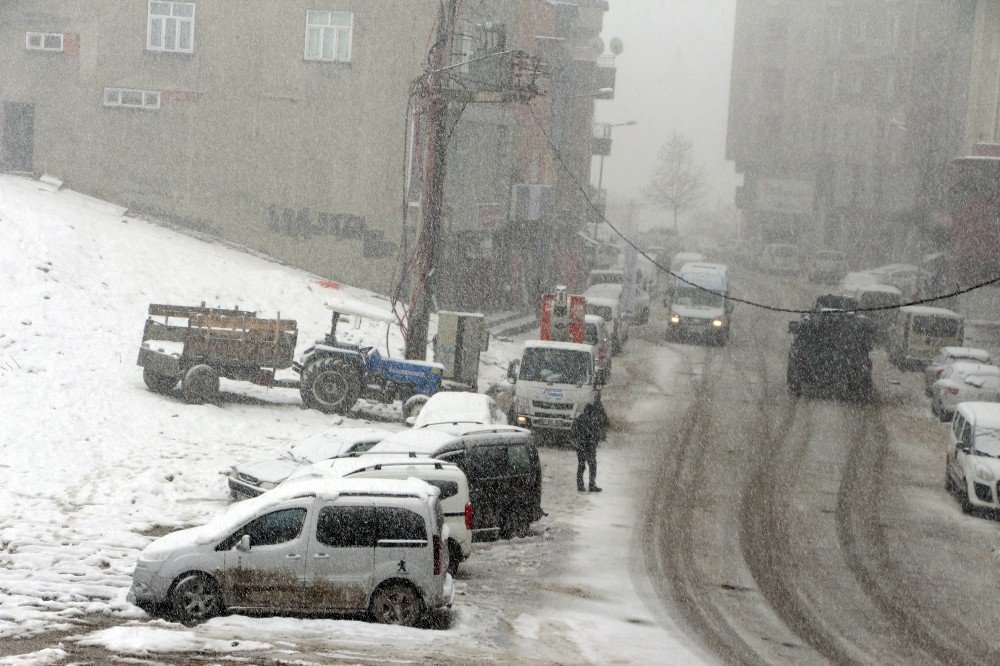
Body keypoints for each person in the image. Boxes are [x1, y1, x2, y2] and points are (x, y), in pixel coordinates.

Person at [572, 398, 610, 492]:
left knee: (581, 465)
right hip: (589, 446)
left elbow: (573, 433)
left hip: (580, 446)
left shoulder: (579, 419)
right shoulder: (593, 421)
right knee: (592, 465)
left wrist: (577, 443)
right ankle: (592, 485)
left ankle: (580, 486)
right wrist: (597, 440)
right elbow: (597, 434)